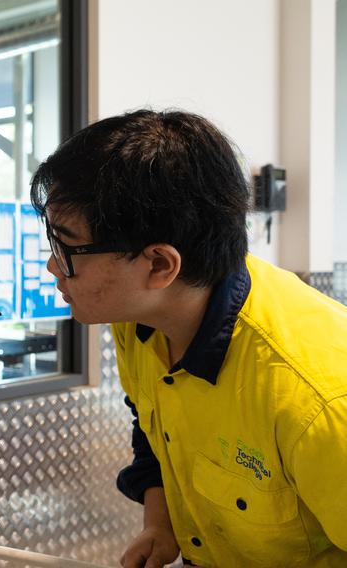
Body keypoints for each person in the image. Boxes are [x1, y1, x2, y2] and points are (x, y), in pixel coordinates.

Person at [30, 109, 347, 567]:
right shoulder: (140, 319)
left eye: (68, 247)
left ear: (159, 265)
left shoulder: (317, 400)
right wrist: (161, 523)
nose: (53, 267)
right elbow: (153, 426)